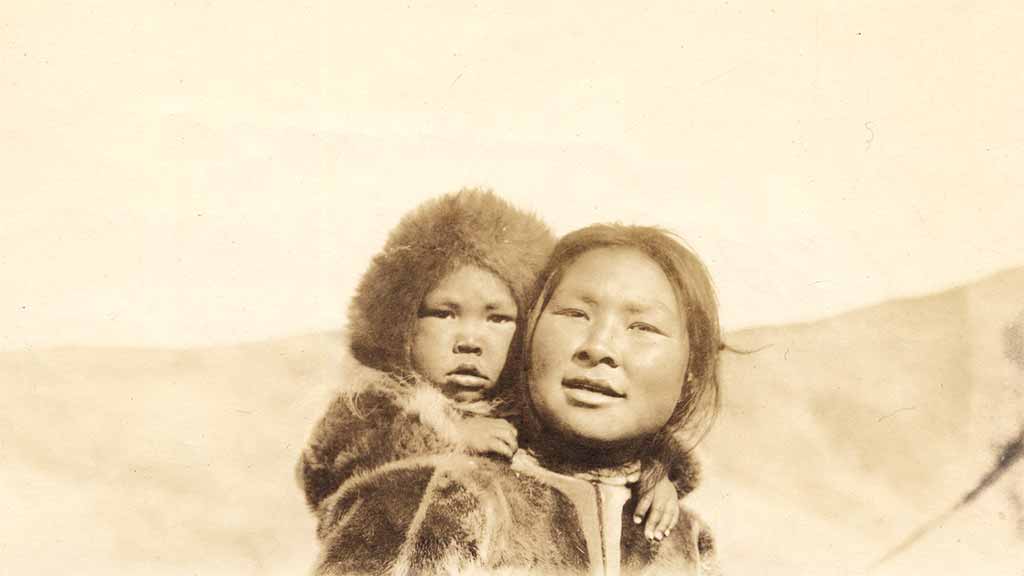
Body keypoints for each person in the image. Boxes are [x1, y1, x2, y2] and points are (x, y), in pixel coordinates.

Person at [311, 223, 723, 576]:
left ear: (692, 369)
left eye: (643, 326)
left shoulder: (687, 540)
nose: (598, 347)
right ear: (528, 334)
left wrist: (659, 466)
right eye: (575, 314)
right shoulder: (430, 500)